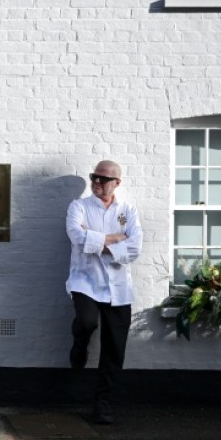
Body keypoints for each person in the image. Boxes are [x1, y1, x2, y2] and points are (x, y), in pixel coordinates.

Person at [65, 160, 143, 424]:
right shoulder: (79, 207)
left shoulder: (127, 210)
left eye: (103, 179)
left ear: (117, 183)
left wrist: (95, 240)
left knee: (115, 348)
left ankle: (103, 403)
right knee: (86, 321)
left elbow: (135, 248)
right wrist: (116, 238)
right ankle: (80, 345)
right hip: (85, 280)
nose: (96, 182)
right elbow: (77, 237)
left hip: (118, 287)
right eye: (94, 177)